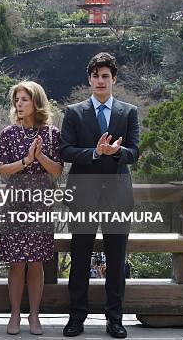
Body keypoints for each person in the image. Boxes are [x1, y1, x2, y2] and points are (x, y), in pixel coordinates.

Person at [61, 52, 140, 339]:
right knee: (80, 256)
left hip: (117, 195)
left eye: (105, 76)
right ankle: (76, 316)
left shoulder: (128, 111)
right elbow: (65, 151)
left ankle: (115, 318)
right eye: (95, 76)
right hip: (83, 193)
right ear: (89, 79)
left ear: (114, 79)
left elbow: (135, 151)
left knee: (116, 260)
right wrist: (95, 152)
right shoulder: (73, 111)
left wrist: (116, 151)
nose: (100, 80)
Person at [0, 81, 63, 335]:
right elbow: (2, 169)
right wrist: (26, 160)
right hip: (14, 202)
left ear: (36, 102)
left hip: (40, 203)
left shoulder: (51, 133)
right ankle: (14, 315)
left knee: (36, 262)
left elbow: (57, 171)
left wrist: (41, 157)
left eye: (24, 99)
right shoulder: (8, 133)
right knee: (16, 262)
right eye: (17, 100)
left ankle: (35, 316)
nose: (19, 104)